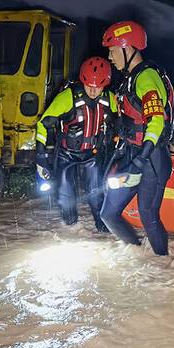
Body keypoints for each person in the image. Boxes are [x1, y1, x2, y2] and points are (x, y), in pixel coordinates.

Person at [100, 21, 174, 256]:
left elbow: (156, 120)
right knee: (108, 213)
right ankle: (135, 255)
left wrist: (141, 159)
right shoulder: (129, 79)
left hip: (151, 158)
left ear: (128, 48)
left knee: (148, 215)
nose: (110, 58)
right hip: (132, 154)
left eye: (112, 51)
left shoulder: (147, 78)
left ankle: (163, 266)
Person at [36, 56, 117, 231]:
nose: (93, 91)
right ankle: (71, 227)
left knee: (96, 193)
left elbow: (120, 123)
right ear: (83, 80)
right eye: (89, 86)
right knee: (65, 195)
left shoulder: (110, 99)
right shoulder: (68, 97)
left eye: (98, 87)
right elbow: (43, 124)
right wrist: (41, 157)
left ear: (106, 84)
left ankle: (103, 228)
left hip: (92, 155)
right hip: (66, 154)